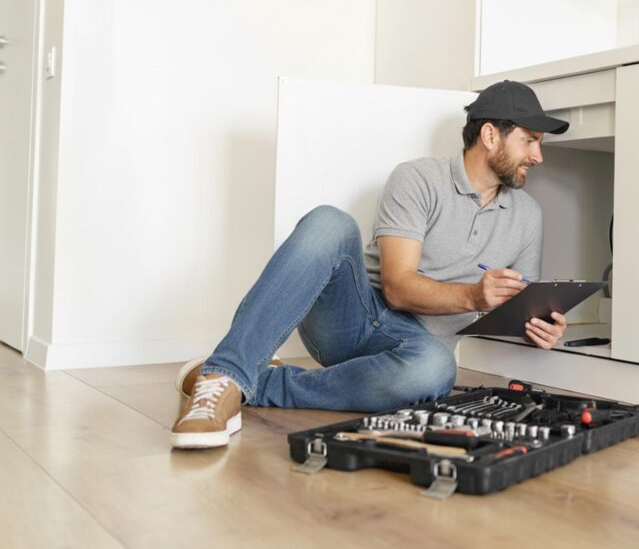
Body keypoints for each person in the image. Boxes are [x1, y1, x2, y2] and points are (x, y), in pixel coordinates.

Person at [170, 80, 570, 449]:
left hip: (418, 353)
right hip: (355, 319)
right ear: (489, 135)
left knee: (436, 371)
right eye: (529, 141)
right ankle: (224, 376)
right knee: (330, 222)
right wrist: (472, 295)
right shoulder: (418, 179)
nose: (538, 155)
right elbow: (397, 288)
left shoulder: (528, 215)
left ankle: (251, 382)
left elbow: (517, 303)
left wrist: (537, 328)